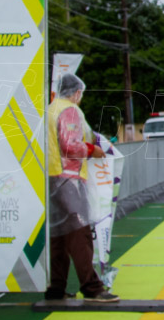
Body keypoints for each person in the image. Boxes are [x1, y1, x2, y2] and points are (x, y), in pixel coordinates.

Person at [45, 72, 118, 303]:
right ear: (77, 93)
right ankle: (91, 287)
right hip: (69, 177)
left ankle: (56, 288)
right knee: (79, 233)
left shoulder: (50, 109)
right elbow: (70, 145)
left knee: (59, 236)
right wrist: (92, 150)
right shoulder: (70, 110)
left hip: (51, 177)